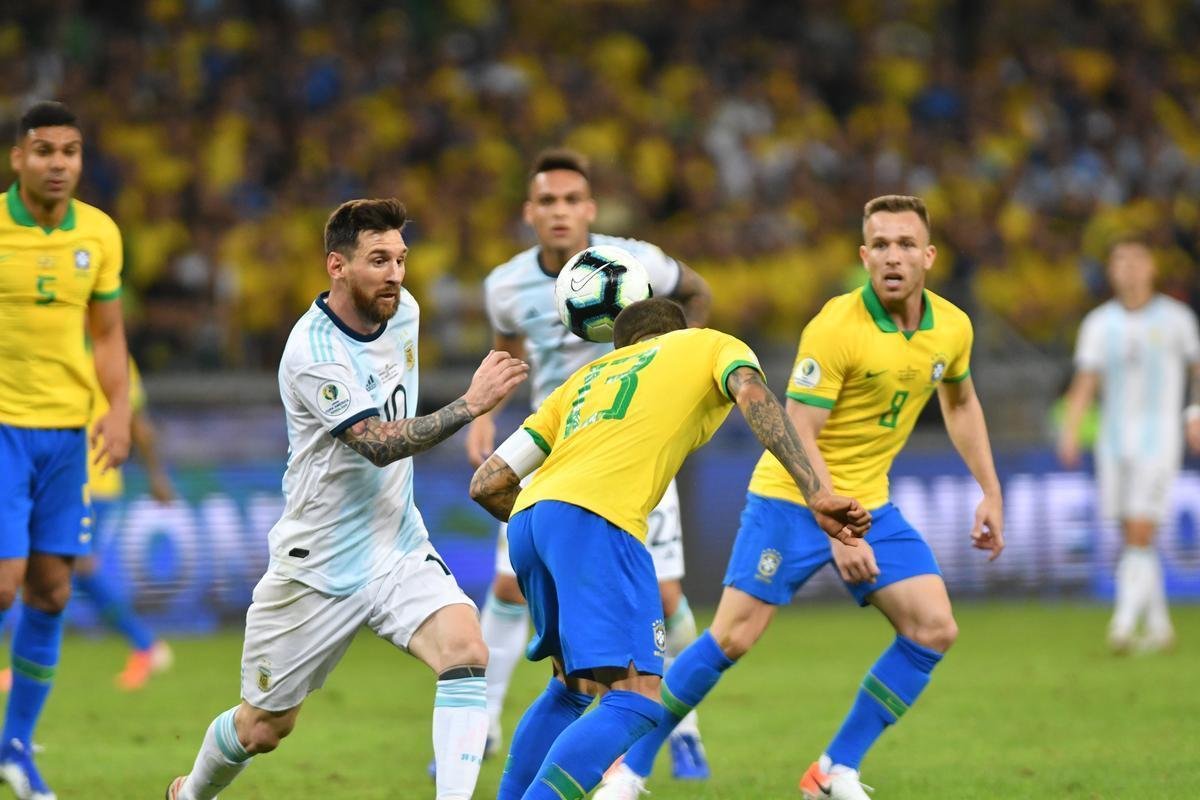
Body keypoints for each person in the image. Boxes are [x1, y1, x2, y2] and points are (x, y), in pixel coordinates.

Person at [597, 195, 1006, 800]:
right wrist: (832, 522)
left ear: (929, 256)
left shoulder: (953, 327)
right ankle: (627, 768)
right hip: (792, 497)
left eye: (905, 245)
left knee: (933, 627)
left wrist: (990, 491)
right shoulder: (836, 327)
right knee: (733, 637)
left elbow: (962, 402)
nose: (893, 257)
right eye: (881, 245)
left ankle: (833, 771)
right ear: (864, 256)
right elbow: (798, 429)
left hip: (870, 503)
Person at [164, 199, 529, 800]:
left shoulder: (404, 312)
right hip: (318, 565)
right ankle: (189, 793)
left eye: (402, 259)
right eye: (378, 260)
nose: (395, 275)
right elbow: (377, 445)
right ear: (336, 265)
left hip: (396, 544)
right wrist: (470, 405)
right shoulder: (312, 352)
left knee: (466, 650)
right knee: (264, 727)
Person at [469, 297, 870, 800]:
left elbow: (487, 483)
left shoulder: (585, 379)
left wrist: (553, 527)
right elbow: (754, 395)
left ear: (623, 347)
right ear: (677, 330)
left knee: (574, 687)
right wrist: (816, 492)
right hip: (599, 518)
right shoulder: (706, 344)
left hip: (530, 520)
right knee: (637, 702)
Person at [464, 148, 715, 776]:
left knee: (666, 592)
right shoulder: (504, 285)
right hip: (559, 450)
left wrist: (684, 357)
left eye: (572, 200)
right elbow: (505, 352)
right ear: (530, 212)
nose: (560, 212)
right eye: (547, 201)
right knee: (507, 588)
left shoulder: (638, 261)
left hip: (636, 450)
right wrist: (487, 421)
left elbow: (698, 291)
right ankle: (484, 725)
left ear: (590, 210)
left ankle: (685, 726)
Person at [0, 100, 131, 800]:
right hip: (0, 429)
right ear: (17, 158)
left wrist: (117, 407)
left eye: (70, 151)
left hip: (64, 439)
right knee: (3, 583)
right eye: (44, 150)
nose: (58, 164)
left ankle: (16, 748)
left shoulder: (100, 235)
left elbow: (107, 333)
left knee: (52, 589)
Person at [0, 355, 175, 695]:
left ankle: (145, 644)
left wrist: (157, 475)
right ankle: (145, 645)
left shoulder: (113, 355)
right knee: (39, 566)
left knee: (70, 566)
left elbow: (136, 420)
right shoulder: (51, 343)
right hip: (53, 478)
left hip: (93, 480)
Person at [1058, 239, 1200, 653]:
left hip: (1160, 438)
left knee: (1140, 530)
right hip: (1113, 440)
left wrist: (1195, 412)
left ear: (1152, 268)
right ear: (1111, 271)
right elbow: (1086, 381)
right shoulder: (1099, 323)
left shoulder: (1176, 319)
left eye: (1137, 260)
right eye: (1120, 261)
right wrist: (1070, 429)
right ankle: (1159, 628)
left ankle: (1122, 624)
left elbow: (1197, 368)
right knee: (1132, 535)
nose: (1129, 269)